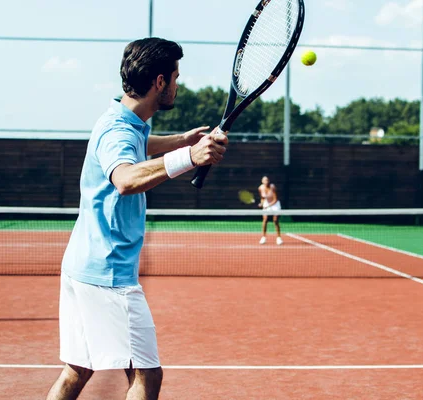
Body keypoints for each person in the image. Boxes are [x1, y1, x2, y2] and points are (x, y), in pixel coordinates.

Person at [46, 38, 228, 400]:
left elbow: (139, 142)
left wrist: (182, 140)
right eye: (175, 77)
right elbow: (126, 179)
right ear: (160, 82)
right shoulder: (118, 131)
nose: (178, 85)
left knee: (78, 369)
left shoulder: (123, 119)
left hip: (82, 266)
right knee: (147, 374)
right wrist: (190, 156)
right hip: (108, 274)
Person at [258, 176, 283, 245]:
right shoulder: (260, 188)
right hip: (267, 203)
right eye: (264, 180)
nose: (266, 182)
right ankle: (263, 237)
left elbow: (275, 199)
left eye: (267, 180)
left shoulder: (272, 187)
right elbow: (262, 198)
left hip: (275, 204)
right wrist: (262, 203)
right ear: (262, 182)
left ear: (269, 181)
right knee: (265, 220)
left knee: (275, 220)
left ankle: (279, 238)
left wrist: (267, 206)